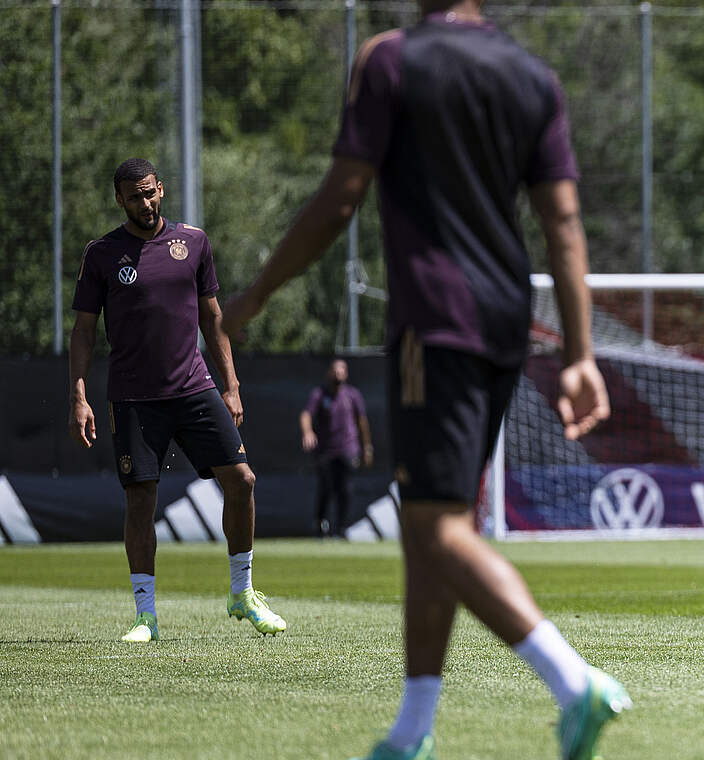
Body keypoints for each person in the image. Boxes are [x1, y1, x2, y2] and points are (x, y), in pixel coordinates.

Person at [220, 2, 629, 758]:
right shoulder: (532, 75)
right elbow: (564, 226)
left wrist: (257, 294)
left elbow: (341, 197)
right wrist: (579, 353)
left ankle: (576, 684)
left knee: (437, 529)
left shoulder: (390, 60)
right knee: (432, 527)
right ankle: (412, 730)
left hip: (436, 321)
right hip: (508, 321)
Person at [67, 157, 287, 642]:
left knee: (243, 481)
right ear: (119, 200)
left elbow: (214, 319)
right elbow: (84, 330)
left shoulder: (194, 242)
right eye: (134, 196)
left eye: (150, 193)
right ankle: (145, 616)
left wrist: (230, 386)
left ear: (161, 189)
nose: (145, 203)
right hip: (133, 398)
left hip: (194, 387)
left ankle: (242, 593)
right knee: (142, 501)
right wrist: (78, 395)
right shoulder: (102, 253)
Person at [301, 357, 374, 537]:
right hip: (326, 451)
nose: (339, 373)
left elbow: (362, 421)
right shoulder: (320, 394)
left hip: (348, 450)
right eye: (336, 370)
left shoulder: (352, 395)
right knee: (325, 488)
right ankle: (320, 525)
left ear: (346, 373)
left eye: (342, 370)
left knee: (345, 490)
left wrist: (367, 447)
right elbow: (306, 415)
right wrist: (307, 432)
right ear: (329, 372)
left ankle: (341, 528)